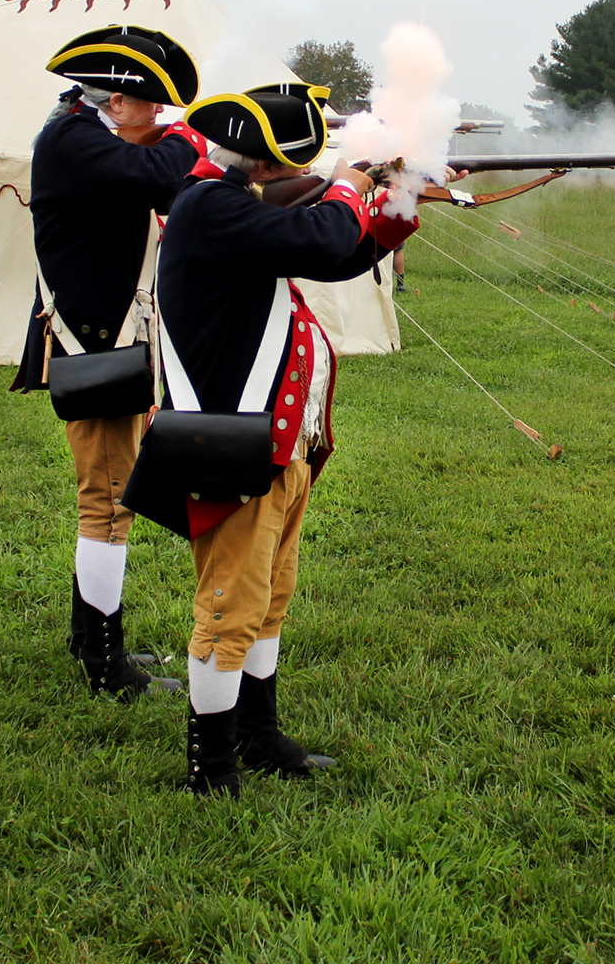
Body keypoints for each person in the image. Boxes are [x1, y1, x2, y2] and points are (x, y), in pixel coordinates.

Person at [125, 83, 424, 795]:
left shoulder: (229, 201)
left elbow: (343, 252)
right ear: (264, 168)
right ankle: (213, 767)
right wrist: (351, 181)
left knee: (268, 599)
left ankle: (258, 736)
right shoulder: (212, 207)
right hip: (236, 446)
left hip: (277, 440)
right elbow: (324, 237)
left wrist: (399, 194)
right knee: (229, 610)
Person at [9, 25, 212, 700]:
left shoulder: (83, 136)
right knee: (107, 503)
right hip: (93, 343)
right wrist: (194, 135)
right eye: (151, 105)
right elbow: (160, 173)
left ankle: (84, 636)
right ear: (117, 103)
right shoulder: (72, 140)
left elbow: (164, 194)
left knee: (108, 497)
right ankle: (104, 662)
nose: (157, 116)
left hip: (106, 339)